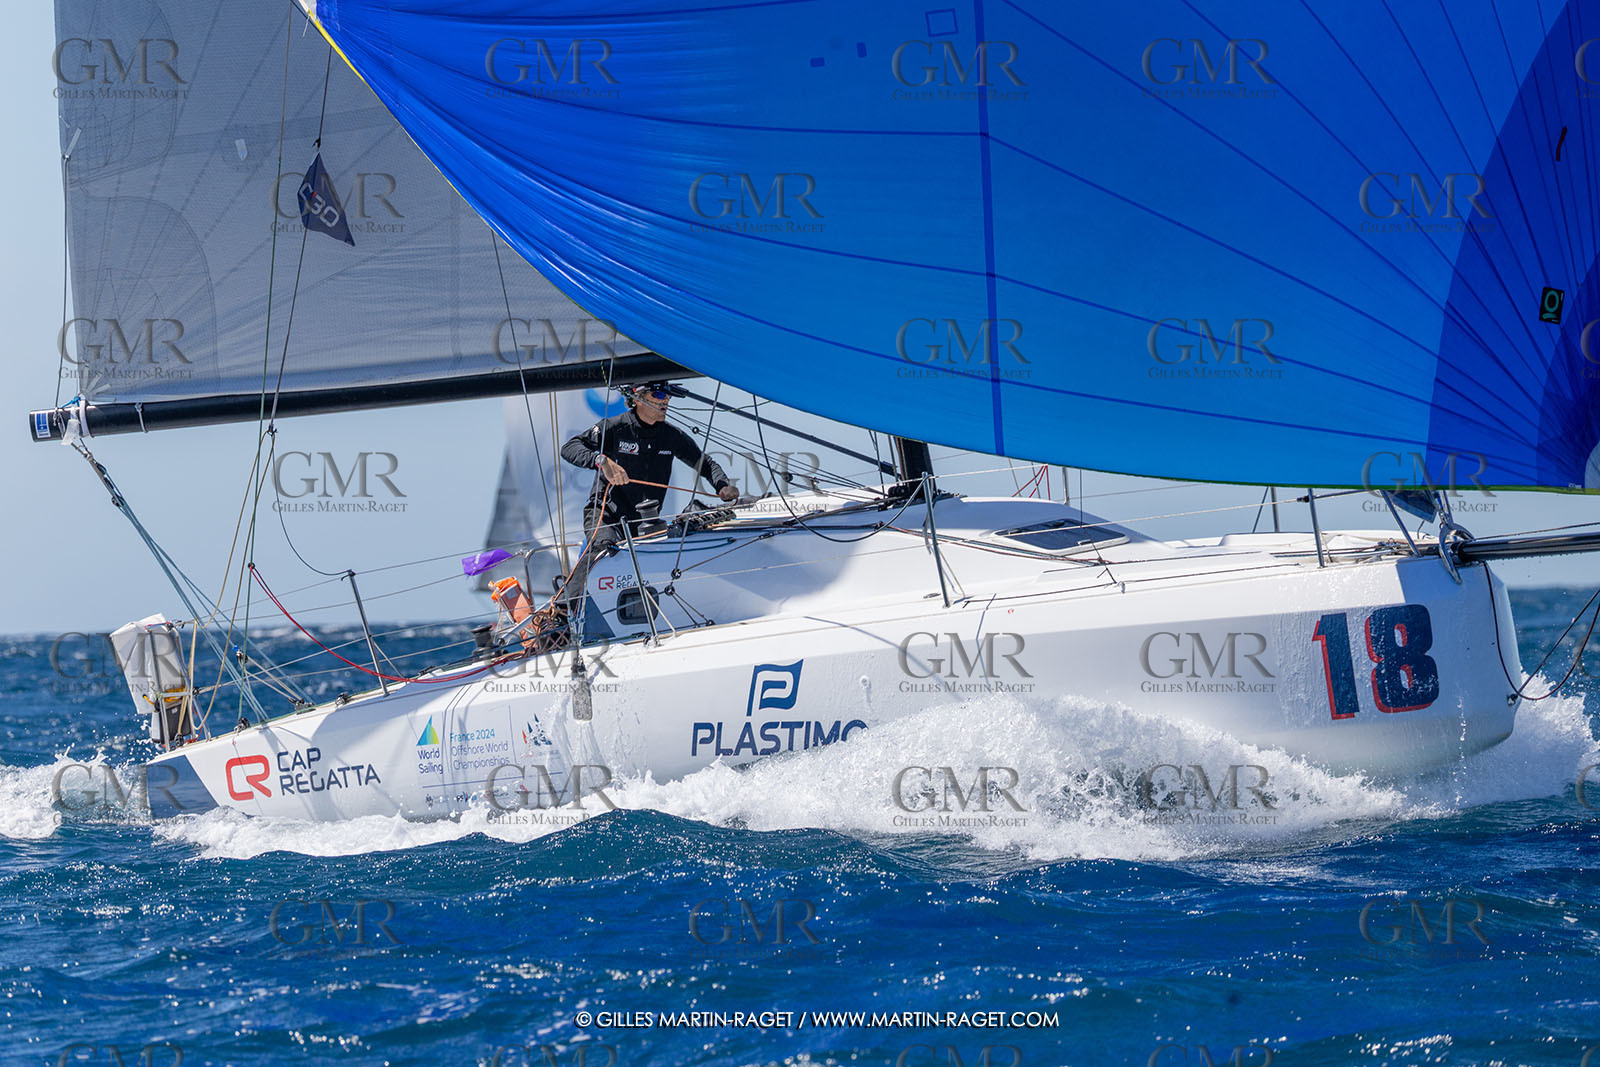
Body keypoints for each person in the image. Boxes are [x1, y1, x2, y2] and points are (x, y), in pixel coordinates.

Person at [555, 383, 738, 609]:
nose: (666, 400)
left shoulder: (671, 436)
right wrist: (602, 461)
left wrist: (722, 485)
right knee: (602, 550)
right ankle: (562, 614)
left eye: (668, 395)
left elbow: (704, 463)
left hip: (645, 521)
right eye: (658, 394)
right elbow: (570, 447)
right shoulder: (615, 427)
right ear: (638, 397)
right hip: (606, 514)